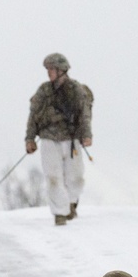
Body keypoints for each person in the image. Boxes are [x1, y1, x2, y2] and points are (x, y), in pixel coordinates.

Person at [25, 52, 93, 226]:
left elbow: (84, 114)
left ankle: (71, 203)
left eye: (52, 69)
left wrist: (87, 135)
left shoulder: (76, 90)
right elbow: (33, 116)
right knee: (53, 177)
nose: (49, 72)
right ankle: (60, 214)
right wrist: (30, 139)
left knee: (75, 177)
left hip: (71, 140)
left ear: (62, 70)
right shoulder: (44, 91)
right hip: (49, 139)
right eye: (48, 69)